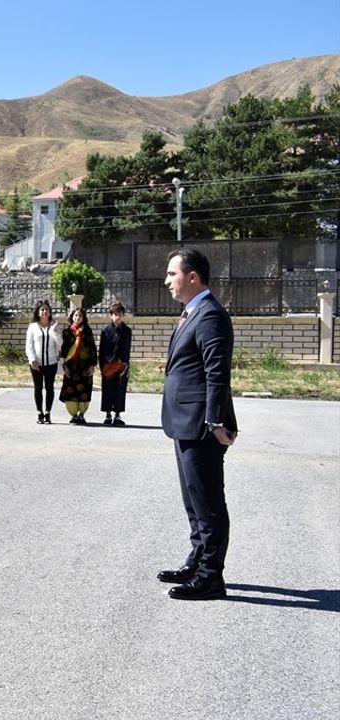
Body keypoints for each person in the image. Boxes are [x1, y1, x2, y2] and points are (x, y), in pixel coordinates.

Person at [159, 247, 238, 601]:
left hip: (202, 424)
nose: (167, 281)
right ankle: (197, 559)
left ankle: (211, 576)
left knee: (207, 502)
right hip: (184, 421)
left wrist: (216, 419)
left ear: (193, 277)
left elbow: (217, 372)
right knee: (192, 500)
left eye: (172, 274)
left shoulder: (209, 315)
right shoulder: (192, 313)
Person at [25, 300, 62, 424]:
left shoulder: (54, 326)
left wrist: (55, 331)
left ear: (50, 312)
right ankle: (39, 412)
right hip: (37, 363)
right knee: (38, 388)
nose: (44, 311)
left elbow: (61, 345)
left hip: (51, 362)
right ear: (38, 312)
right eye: (42, 309)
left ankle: (48, 413)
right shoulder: (32, 327)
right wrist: (32, 359)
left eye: (46, 309)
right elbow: (29, 345)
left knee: (49, 387)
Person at [58, 306, 96, 425]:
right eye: (75, 315)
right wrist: (63, 366)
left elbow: (92, 348)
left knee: (84, 390)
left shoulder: (88, 331)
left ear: (83, 317)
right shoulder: (67, 332)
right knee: (70, 390)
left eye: (80, 315)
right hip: (71, 366)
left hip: (85, 366)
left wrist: (93, 365)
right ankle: (73, 415)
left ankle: (82, 415)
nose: (77, 317)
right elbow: (63, 350)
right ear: (71, 317)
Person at [99, 301, 133, 426]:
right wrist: (102, 365)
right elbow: (102, 350)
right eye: (115, 314)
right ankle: (108, 414)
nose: (117, 317)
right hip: (108, 365)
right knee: (108, 389)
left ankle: (117, 415)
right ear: (111, 316)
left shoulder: (127, 331)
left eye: (120, 314)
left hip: (121, 365)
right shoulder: (106, 331)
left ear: (123, 315)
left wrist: (126, 364)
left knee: (120, 390)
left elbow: (127, 349)